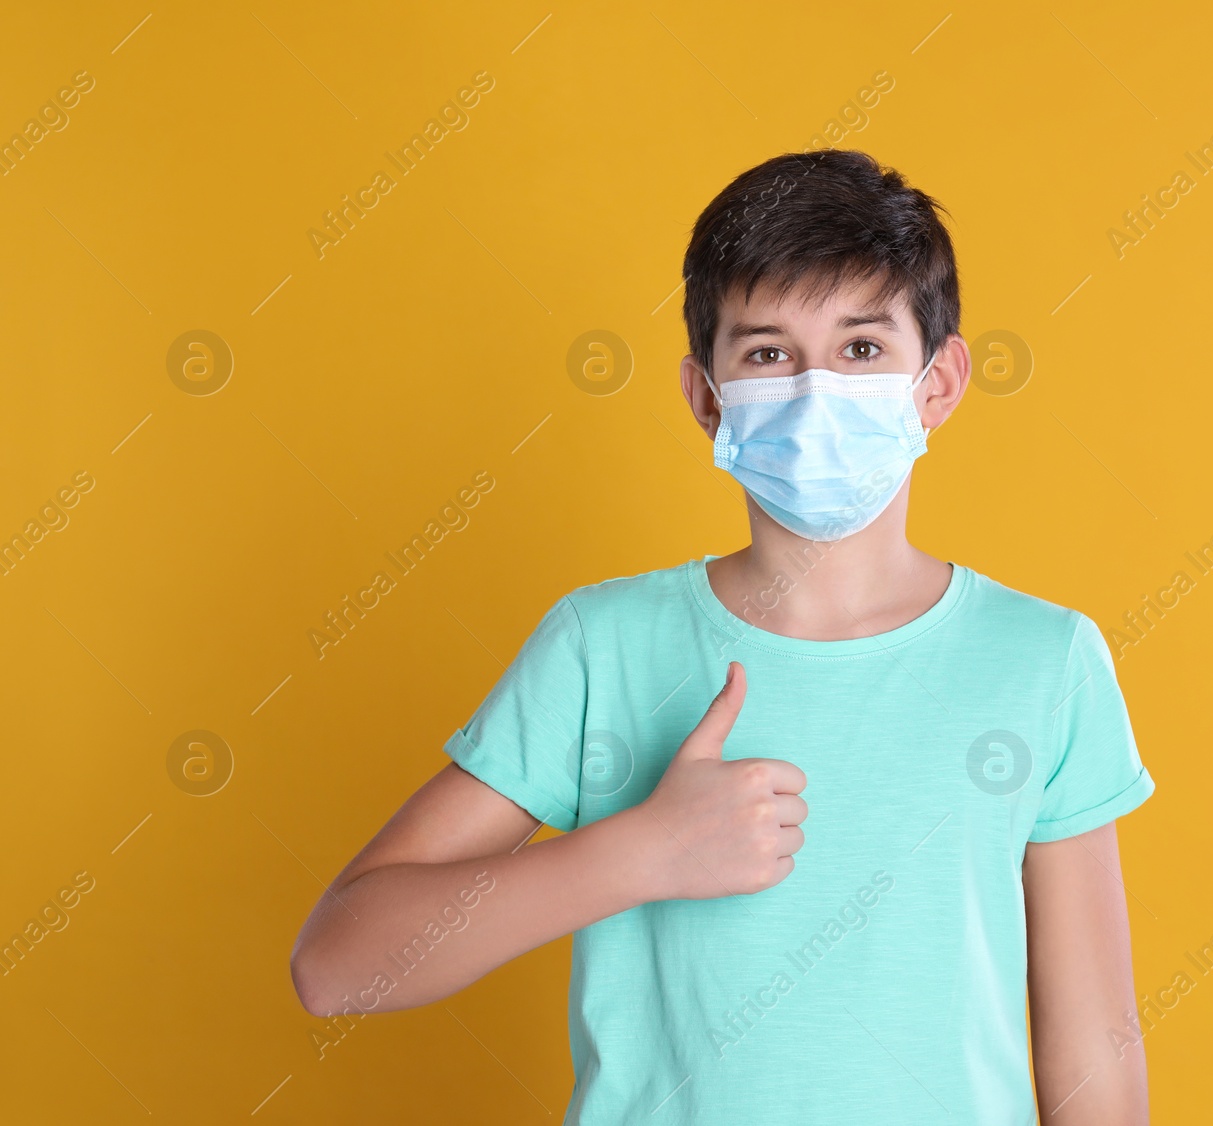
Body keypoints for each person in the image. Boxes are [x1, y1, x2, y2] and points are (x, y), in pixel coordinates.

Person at [290, 148, 1156, 1124]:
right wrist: (637, 855)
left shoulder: (1042, 660)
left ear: (938, 383)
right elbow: (337, 963)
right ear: (707, 399)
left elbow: (1093, 1048)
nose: (816, 389)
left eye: (861, 349)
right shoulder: (602, 646)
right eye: (768, 353)